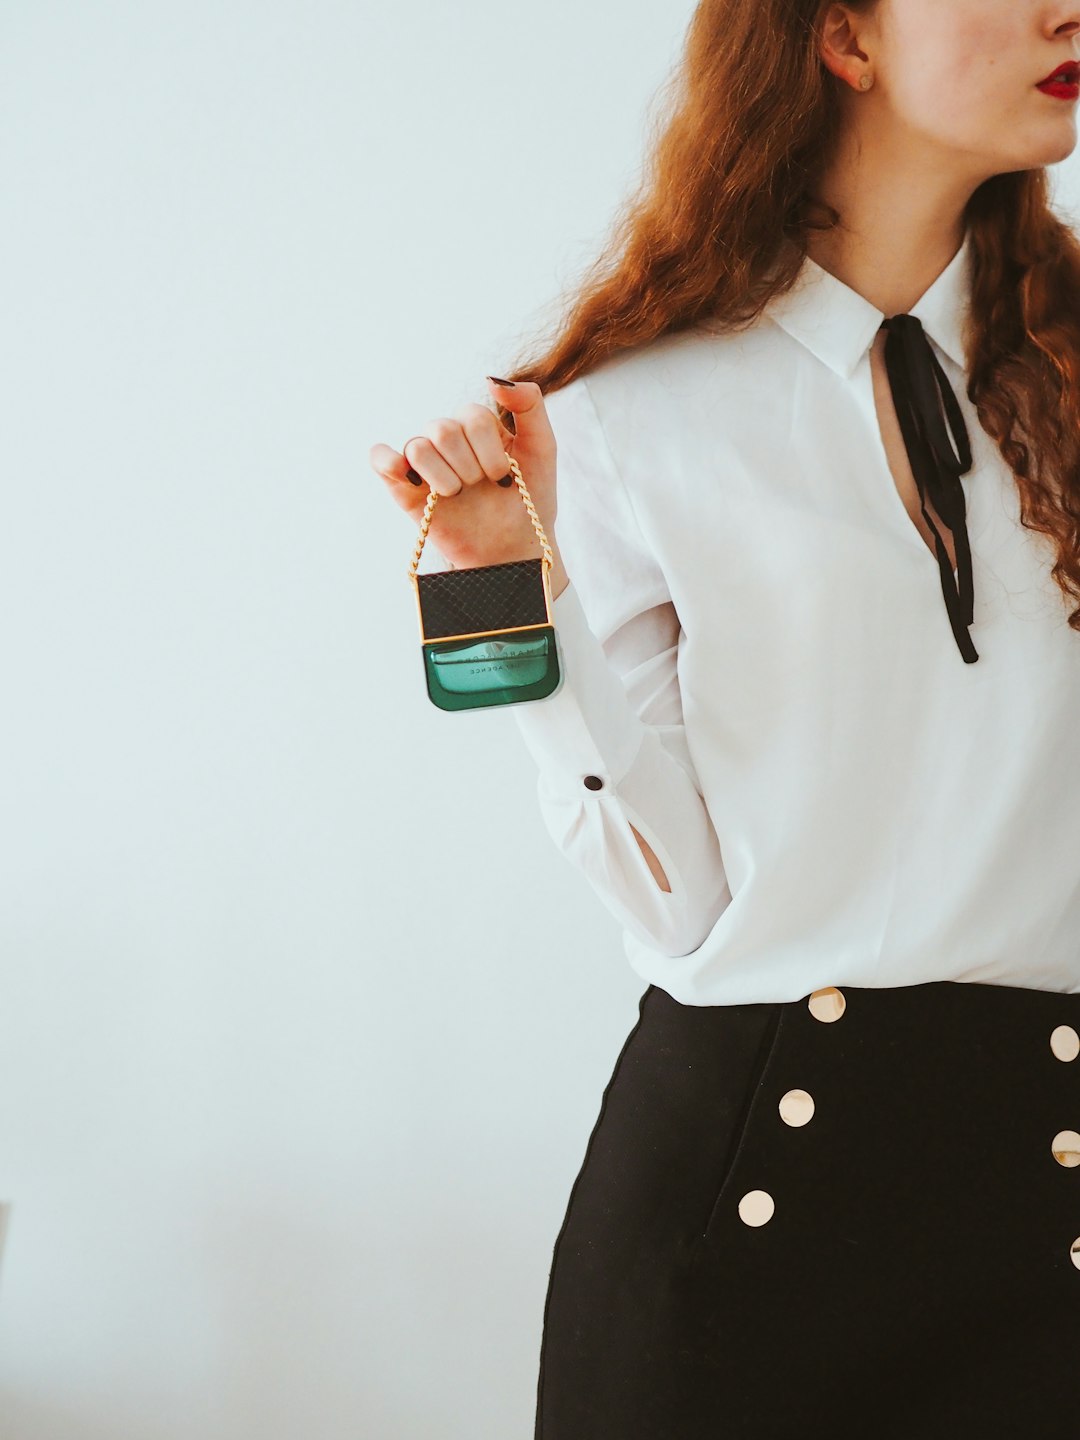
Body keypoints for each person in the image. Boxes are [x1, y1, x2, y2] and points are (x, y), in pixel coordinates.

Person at [370, 2, 1080, 1434]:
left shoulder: (1066, 380)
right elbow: (678, 901)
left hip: (1043, 1222)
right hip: (746, 1219)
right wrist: (507, 590)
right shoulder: (628, 415)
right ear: (844, 38)